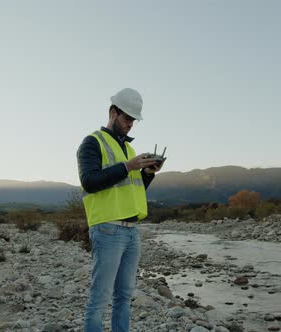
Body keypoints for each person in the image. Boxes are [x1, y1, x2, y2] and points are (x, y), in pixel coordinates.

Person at [77, 88, 164, 331]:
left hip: (131, 232)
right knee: (100, 299)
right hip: (107, 229)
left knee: (124, 297)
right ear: (113, 112)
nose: (131, 124)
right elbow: (90, 182)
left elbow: (133, 190)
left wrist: (147, 174)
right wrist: (127, 166)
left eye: (134, 120)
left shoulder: (130, 150)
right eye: (127, 118)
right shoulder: (92, 142)